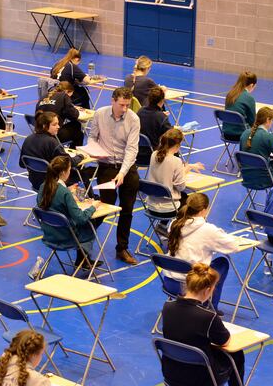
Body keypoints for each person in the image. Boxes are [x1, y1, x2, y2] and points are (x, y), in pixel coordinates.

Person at [161, 263, 259, 386]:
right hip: (201, 381)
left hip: (171, 375)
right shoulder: (208, 316)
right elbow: (225, 341)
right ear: (207, 290)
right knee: (236, 355)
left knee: (193, 349)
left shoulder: (167, 307)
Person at [89, 87, 141, 265]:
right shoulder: (99, 114)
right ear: (112, 100)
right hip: (106, 167)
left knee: (127, 210)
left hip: (127, 168)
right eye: (121, 105)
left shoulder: (134, 119)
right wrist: (93, 151)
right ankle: (84, 240)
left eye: (127, 105)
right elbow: (92, 137)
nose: (125, 109)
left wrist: (122, 173)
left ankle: (122, 248)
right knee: (104, 208)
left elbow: (132, 149)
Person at [165, 193, 240, 313]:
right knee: (222, 263)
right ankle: (210, 308)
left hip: (169, 282)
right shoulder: (208, 230)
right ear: (205, 210)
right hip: (191, 286)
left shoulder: (174, 224)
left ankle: (207, 305)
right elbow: (234, 246)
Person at [37, 156, 100, 269]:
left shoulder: (43, 187)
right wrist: (93, 207)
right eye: (69, 169)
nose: (70, 172)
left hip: (50, 235)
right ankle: (83, 260)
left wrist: (68, 190)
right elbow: (81, 218)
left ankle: (83, 260)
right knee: (91, 222)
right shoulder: (64, 193)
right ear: (63, 172)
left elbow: (50, 204)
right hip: (66, 238)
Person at [20, 111, 90, 191]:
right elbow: (70, 162)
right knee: (82, 175)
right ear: (44, 126)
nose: (58, 126)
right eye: (54, 124)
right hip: (52, 184)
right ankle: (92, 199)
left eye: (58, 123)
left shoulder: (28, 139)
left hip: (35, 183)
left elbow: (22, 164)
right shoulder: (52, 142)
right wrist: (81, 156)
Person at [147, 128, 203, 218]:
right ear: (177, 145)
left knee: (184, 197)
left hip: (151, 206)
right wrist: (185, 170)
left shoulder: (154, 155)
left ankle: (163, 224)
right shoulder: (176, 161)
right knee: (195, 204)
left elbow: (166, 173)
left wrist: (188, 167)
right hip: (169, 208)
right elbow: (181, 187)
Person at [239, 107, 273, 188]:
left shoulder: (245, 133)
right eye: (272, 120)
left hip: (246, 177)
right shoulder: (267, 136)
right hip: (262, 178)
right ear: (267, 120)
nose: (272, 123)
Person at [35, 81, 84, 147]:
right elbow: (74, 115)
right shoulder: (64, 96)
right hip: (53, 135)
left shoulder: (43, 96)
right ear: (67, 91)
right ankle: (73, 153)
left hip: (39, 134)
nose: (70, 98)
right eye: (70, 96)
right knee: (78, 130)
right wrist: (74, 109)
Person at [223, 71, 257, 139]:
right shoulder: (249, 98)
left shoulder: (230, 94)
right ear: (251, 85)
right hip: (241, 135)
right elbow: (252, 122)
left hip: (226, 133)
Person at [137, 86, 173, 151]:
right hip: (154, 152)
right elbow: (171, 134)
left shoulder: (140, 111)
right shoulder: (161, 117)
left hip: (138, 150)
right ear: (162, 100)